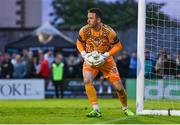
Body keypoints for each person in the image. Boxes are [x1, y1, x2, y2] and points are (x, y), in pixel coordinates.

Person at [76, 8, 134, 117]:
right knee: (87, 80)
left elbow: (118, 46)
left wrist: (105, 55)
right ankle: (96, 110)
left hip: (106, 61)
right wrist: (84, 54)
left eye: (91, 18)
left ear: (98, 20)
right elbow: (79, 42)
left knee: (119, 89)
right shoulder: (84, 30)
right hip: (90, 59)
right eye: (88, 18)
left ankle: (125, 108)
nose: (88, 20)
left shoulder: (109, 31)